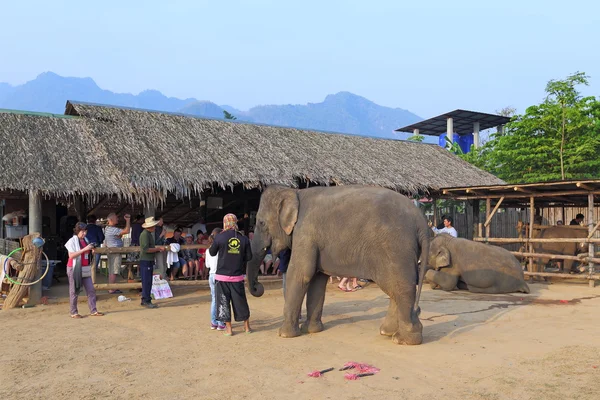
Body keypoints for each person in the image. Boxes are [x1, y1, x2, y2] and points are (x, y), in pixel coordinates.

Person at [209, 214, 252, 336]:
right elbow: (249, 257)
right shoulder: (243, 238)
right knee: (241, 301)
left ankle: (229, 329)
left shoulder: (220, 237)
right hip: (237, 277)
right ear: (235, 222)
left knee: (223, 302)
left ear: (225, 223)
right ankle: (247, 327)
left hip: (221, 277)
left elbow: (212, 253)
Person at [65, 222, 103, 318]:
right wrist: (85, 249)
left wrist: (91, 249)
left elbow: (87, 252)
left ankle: (93, 310)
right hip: (74, 267)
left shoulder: (85, 240)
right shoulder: (72, 241)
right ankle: (73, 312)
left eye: (85, 231)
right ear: (77, 231)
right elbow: (71, 255)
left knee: (91, 289)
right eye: (82, 231)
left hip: (85, 267)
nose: (84, 233)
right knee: (74, 290)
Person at [139, 217, 166, 308]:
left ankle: (145, 299)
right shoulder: (145, 235)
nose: (155, 227)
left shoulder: (147, 234)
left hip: (148, 260)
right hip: (146, 260)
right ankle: (146, 300)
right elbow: (146, 249)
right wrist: (158, 249)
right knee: (147, 281)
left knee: (147, 281)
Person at [104, 213, 131, 294]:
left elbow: (119, 235)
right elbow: (127, 231)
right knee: (114, 270)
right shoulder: (112, 229)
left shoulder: (107, 229)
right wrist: (128, 221)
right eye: (116, 218)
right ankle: (111, 289)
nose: (118, 219)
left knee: (112, 270)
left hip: (112, 251)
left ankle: (112, 287)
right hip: (115, 252)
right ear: (111, 220)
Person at [206, 228, 225, 330]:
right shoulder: (221, 249)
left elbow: (207, 265)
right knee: (221, 299)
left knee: (214, 299)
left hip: (211, 275)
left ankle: (214, 322)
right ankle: (221, 322)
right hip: (219, 275)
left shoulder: (208, 250)